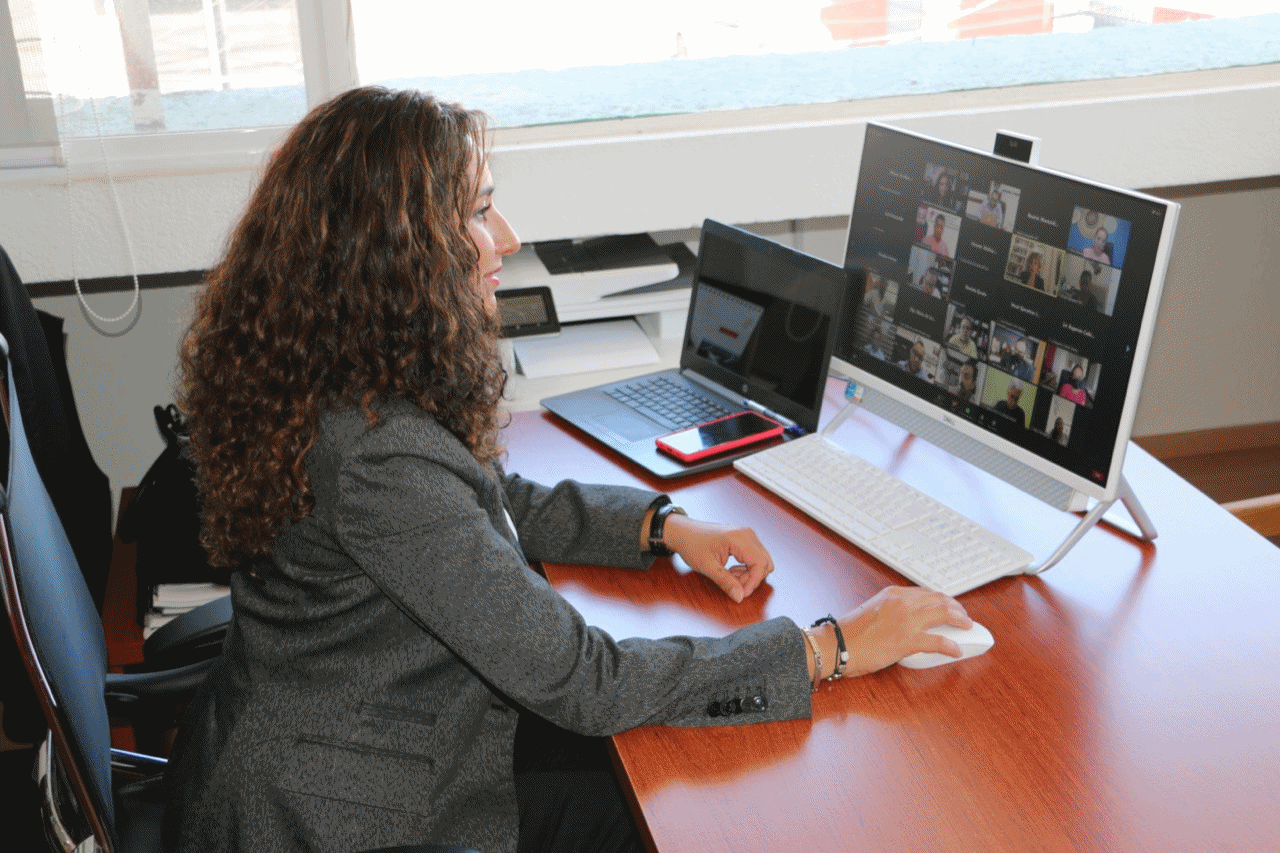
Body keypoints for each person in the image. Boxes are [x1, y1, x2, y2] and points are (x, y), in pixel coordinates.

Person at [160, 87, 972, 853]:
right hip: (351, 811)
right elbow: (586, 680)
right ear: (393, 256)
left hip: (337, 735)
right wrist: (826, 646)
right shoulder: (374, 452)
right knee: (684, 809)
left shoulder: (335, 374)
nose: (506, 237)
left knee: (674, 768)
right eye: (478, 213)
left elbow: (485, 499)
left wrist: (661, 526)